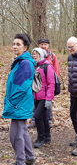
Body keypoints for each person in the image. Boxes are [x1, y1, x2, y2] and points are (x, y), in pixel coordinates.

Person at [2, 34, 37, 165]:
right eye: (14, 44)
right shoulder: (20, 61)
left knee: (15, 135)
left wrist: (11, 102)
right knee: (22, 131)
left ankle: (20, 162)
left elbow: (21, 87)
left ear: (25, 47)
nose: (15, 46)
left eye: (18, 44)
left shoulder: (25, 63)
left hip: (19, 103)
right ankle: (30, 157)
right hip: (19, 102)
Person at [28, 38, 60, 129]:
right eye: (41, 44)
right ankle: (34, 121)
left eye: (45, 44)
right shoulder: (34, 56)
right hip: (36, 86)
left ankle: (49, 121)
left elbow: (56, 70)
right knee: (35, 105)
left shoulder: (52, 56)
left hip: (47, 86)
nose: (43, 46)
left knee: (47, 106)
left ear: (48, 45)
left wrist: (53, 85)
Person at [31, 48, 55, 148]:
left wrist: (49, 99)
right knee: (44, 117)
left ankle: (40, 138)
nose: (35, 55)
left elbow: (51, 83)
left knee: (37, 116)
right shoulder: (34, 66)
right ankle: (47, 136)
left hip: (44, 97)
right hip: (36, 96)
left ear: (41, 54)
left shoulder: (47, 66)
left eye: (37, 54)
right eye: (33, 54)